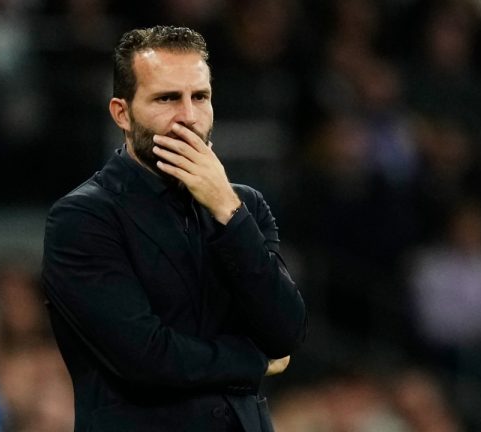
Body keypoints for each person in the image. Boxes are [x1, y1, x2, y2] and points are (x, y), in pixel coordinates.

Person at [41, 25, 306, 432]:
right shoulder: (83, 218)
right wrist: (253, 361)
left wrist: (227, 211)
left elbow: (285, 331)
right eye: (167, 98)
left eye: (200, 97)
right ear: (122, 113)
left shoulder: (243, 205)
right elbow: (146, 358)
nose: (188, 116)